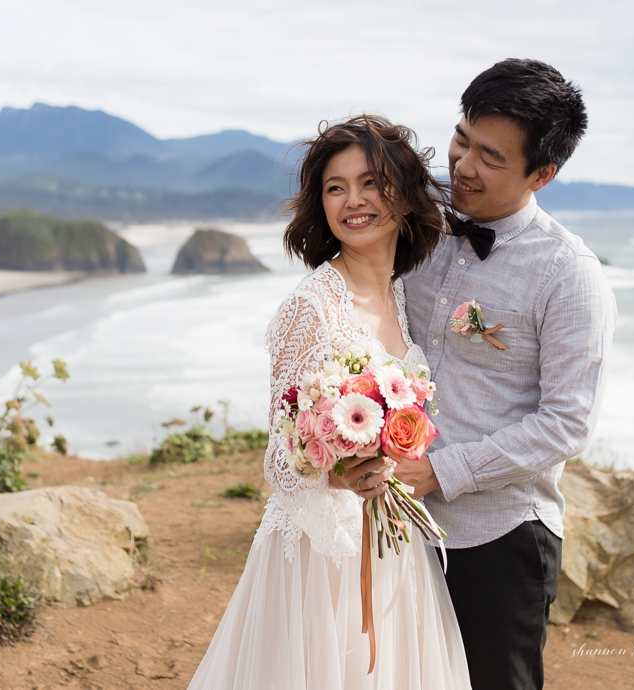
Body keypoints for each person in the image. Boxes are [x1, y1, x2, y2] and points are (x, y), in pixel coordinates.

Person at [187, 115, 471, 689]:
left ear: (405, 193)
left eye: (370, 183)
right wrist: (345, 476)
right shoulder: (311, 307)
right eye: (335, 187)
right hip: (322, 554)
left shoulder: (402, 293)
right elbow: (277, 461)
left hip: (395, 541)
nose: (353, 201)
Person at [388, 58, 618, 690]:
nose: (462, 165)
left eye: (491, 157)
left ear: (542, 174)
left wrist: (442, 470)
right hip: (397, 521)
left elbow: (568, 422)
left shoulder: (569, 275)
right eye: (462, 138)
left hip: (500, 537)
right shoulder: (417, 230)